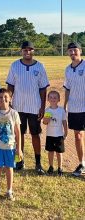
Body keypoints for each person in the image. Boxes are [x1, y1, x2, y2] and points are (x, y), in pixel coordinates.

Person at [6, 41, 49, 175]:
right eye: (25, 50)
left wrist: (42, 107)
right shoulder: (15, 65)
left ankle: (38, 163)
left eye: (30, 49)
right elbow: (10, 86)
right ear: (21, 51)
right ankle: (20, 160)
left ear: (33, 51)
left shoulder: (40, 66)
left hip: (34, 106)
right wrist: (9, 101)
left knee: (35, 134)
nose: (27, 52)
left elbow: (43, 89)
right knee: (20, 134)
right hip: (18, 106)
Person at [0, 88, 22, 201]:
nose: (3, 99)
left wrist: (19, 148)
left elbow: (18, 133)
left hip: (10, 147)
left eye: (6, 97)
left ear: (10, 98)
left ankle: (9, 191)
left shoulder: (14, 113)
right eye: (0, 97)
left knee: (9, 168)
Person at [63, 42, 85, 176]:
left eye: (74, 50)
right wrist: (65, 104)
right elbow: (67, 88)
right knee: (78, 136)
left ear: (80, 51)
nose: (72, 53)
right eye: (70, 51)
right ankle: (82, 163)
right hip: (75, 107)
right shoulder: (68, 69)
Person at [43, 90, 67, 176]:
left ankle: (60, 168)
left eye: (55, 97)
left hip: (59, 135)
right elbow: (44, 123)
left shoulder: (61, 110)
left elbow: (64, 121)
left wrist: (66, 132)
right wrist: (46, 119)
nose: (53, 99)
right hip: (50, 135)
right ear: (48, 99)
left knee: (59, 152)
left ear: (59, 99)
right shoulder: (47, 110)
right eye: (51, 97)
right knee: (50, 151)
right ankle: (51, 166)